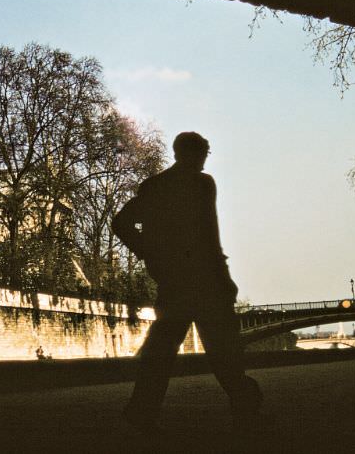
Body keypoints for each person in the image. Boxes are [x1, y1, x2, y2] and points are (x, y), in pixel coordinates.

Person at [112, 132, 263, 432]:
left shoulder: (154, 187)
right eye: (205, 152)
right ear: (197, 153)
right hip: (205, 281)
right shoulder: (202, 184)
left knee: (161, 353)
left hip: (173, 281)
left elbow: (120, 224)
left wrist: (149, 252)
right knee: (223, 350)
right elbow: (208, 234)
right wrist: (224, 277)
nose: (206, 158)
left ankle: (142, 410)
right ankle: (244, 404)